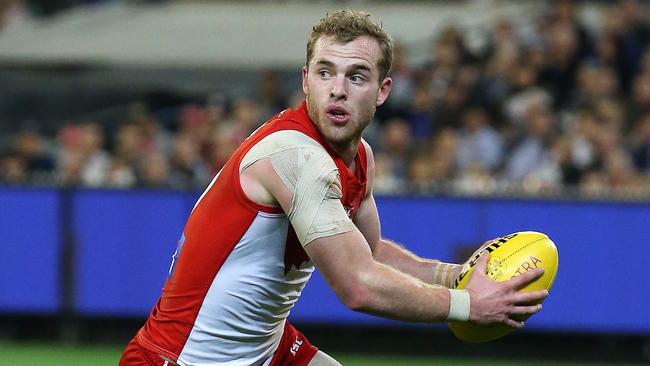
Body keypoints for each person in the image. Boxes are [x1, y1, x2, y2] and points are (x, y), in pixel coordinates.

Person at [119, 10, 547, 366]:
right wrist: (469, 305)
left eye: (356, 76)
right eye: (326, 73)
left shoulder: (360, 155)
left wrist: (454, 277)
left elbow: (371, 252)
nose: (337, 90)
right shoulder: (296, 157)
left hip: (263, 349)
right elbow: (357, 285)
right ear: (306, 80)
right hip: (179, 359)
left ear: (382, 92)